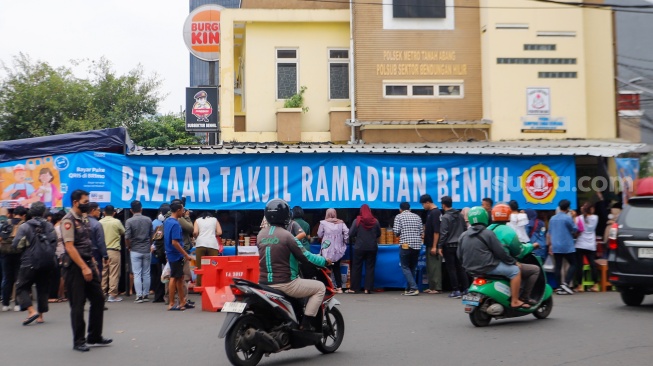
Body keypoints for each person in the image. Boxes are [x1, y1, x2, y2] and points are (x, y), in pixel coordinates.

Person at [258, 199, 329, 332]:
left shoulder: (260, 235)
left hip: (263, 283)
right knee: (320, 287)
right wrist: (324, 261)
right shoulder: (287, 236)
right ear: (286, 215)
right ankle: (306, 323)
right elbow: (306, 257)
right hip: (285, 283)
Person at [61, 189, 112, 352]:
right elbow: (69, 247)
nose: (87, 204)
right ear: (75, 203)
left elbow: (87, 243)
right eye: (85, 201)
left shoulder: (85, 219)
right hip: (75, 266)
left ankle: (94, 336)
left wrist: (93, 264)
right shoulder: (67, 220)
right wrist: (83, 266)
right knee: (78, 304)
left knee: (98, 299)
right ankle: (79, 340)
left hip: (89, 263)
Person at [457, 207, 532, 309]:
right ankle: (515, 301)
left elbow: (459, 255)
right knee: (515, 271)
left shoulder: (463, 235)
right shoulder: (488, 233)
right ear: (485, 217)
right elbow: (500, 252)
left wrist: (467, 265)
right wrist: (513, 262)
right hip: (488, 267)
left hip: (470, 269)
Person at [12, 201, 57, 325]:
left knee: (21, 287)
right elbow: (54, 242)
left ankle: (31, 311)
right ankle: (40, 316)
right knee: (42, 288)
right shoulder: (49, 226)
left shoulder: (25, 226)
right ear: (43, 212)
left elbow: (16, 244)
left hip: (29, 261)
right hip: (47, 262)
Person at [488, 204, 540, 305]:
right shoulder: (508, 231)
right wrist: (532, 246)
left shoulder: (487, 229)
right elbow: (519, 251)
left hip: (487, 263)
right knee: (535, 270)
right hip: (502, 263)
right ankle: (523, 297)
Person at [164, 201, 193, 311]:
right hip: (175, 254)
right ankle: (171, 303)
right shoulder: (175, 224)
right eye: (182, 209)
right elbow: (174, 242)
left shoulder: (168, 221)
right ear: (178, 210)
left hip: (172, 253)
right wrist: (185, 254)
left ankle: (182, 301)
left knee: (179, 277)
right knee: (174, 277)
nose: (183, 211)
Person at [438, 196, 468, 298]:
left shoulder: (445, 217)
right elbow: (465, 229)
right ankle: (466, 288)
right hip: (459, 245)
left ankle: (456, 290)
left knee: (451, 269)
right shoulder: (460, 215)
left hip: (449, 245)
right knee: (461, 268)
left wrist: (440, 246)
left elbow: (443, 233)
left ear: (443, 205)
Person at [547, 199, 578, 295]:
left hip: (556, 245)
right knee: (574, 264)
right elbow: (575, 229)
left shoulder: (552, 218)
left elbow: (550, 233)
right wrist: (574, 217)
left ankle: (559, 286)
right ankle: (566, 283)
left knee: (558, 266)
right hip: (567, 245)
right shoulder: (567, 218)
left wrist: (550, 245)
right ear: (568, 208)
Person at [348, 204, 381, 294]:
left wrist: (357, 236)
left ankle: (354, 288)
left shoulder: (357, 221)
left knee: (356, 267)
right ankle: (368, 289)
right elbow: (379, 233)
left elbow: (350, 233)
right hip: (372, 247)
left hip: (359, 247)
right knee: (370, 267)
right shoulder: (375, 221)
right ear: (369, 211)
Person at [125, 200, 153, 303]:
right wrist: (149, 244)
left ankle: (139, 296)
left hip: (135, 249)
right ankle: (146, 295)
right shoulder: (148, 220)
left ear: (131, 210)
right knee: (146, 273)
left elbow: (127, 237)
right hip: (146, 249)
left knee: (137, 273)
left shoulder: (129, 221)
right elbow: (151, 235)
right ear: (141, 209)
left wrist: (129, 246)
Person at [393, 202, 424, 296]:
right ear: (410, 208)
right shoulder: (417, 217)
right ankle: (409, 288)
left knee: (405, 266)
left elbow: (396, 232)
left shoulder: (399, 217)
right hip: (417, 245)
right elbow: (421, 232)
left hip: (405, 244)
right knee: (412, 267)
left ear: (400, 209)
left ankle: (414, 288)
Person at [1, 205, 27, 312]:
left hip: (5, 253)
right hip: (19, 253)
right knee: (18, 279)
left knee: (6, 278)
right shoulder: (24, 225)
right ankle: (17, 303)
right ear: (24, 215)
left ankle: (5, 304)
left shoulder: (5, 223)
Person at [317, 209, 349, 294]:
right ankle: (339, 288)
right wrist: (344, 241)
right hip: (337, 249)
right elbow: (347, 232)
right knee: (337, 268)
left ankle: (328, 287)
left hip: (327, 248)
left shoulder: (323, 223)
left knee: (326, 268)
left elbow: (319, 234)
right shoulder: (341, 223)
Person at [100, 205, 125, 302]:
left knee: (103, 272)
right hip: (114, 250)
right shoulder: (117, 222)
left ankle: (102, 293)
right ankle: (112, 294)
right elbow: (123, 232)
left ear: (104, 212)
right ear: (114, 213)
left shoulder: (100, 222)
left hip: (102, 251)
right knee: (114, 273)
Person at [420, 194, 443, 294]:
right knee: (430, 266)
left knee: (435, 266)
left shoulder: (436, 212)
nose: (423, 206)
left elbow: (436, 231)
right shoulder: (430, 212)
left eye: (423, 204)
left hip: (434, 245)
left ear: (428, 202)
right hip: (428, 243)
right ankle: (431, 286)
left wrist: (435, 246)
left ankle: (437, 287)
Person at [574, 202, 599, 292]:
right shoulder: (596, 218)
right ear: (591, 209)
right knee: (592, 265)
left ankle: (580, 286)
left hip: (580, 244)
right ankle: (595, 285)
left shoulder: (578, 218)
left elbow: (576, 230)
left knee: (579, 265)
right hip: (591, 244)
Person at [193, 211, 222, 287]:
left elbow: (195, 232)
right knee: (213, 266)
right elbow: (219, 232)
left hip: (200, 244)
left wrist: (197, 236)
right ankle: (212, 285)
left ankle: (200, 286)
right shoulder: (215, 219)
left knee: (200, 267)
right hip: (212, 244)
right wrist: (212, 233)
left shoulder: (197, 220)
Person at [150, 204, 170, 303]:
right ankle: (162, 295)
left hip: (157, 252)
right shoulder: (160, 223)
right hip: (162, 252)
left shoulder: (155, 222)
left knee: (159, 274)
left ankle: (160, 295)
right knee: (163, 274)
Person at [87, 203, 108, 280]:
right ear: (93, 210)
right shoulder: (97, 224)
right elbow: (100, 242)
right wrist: (105, 256)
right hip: (95, 252)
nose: (100, 212)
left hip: (83, 252)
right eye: (98, 210)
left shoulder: (82, 222)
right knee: (96, 275)